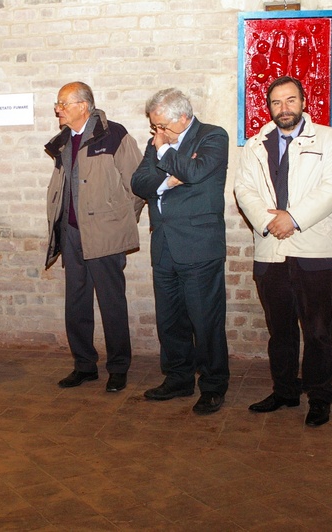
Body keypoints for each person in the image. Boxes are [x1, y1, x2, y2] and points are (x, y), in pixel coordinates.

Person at [234, 76, 332, 427]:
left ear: (303, 101)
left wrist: (293, 219)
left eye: (290, 100)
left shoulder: (329, 139)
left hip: (314, 249)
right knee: (280, 330)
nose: (284, 108)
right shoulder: (255, 145)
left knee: (317, 331)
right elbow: (243, 189)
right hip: (271, 250)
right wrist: (269, 222)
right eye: (276, 102)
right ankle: (285, 391)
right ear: (269, 107)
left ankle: (320, 396)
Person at [130, 88, 230, 415]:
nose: (158, 133)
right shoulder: (158, 141)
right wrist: (166, 182)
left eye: (163, 126)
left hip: (199, 245)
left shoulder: (212, 137)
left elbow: (196, 173)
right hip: (164, 245)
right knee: (170, 319)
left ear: (184, 117)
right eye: (155, 127)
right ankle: (178, 378)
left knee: (205, 320)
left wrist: (164, 153)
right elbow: (139, 182)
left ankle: (213, 385)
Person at [44, 81, 144, 393]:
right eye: (58, 104)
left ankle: (118, 367)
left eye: (63, 103)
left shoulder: (113, 134)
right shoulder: (63, 141)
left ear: (83, 106)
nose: (58, 109)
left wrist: (119, 221)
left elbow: (138, 184)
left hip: (104, 234)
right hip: (71, 234)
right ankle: (84, 365)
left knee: (111, 302)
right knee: (76, 303)